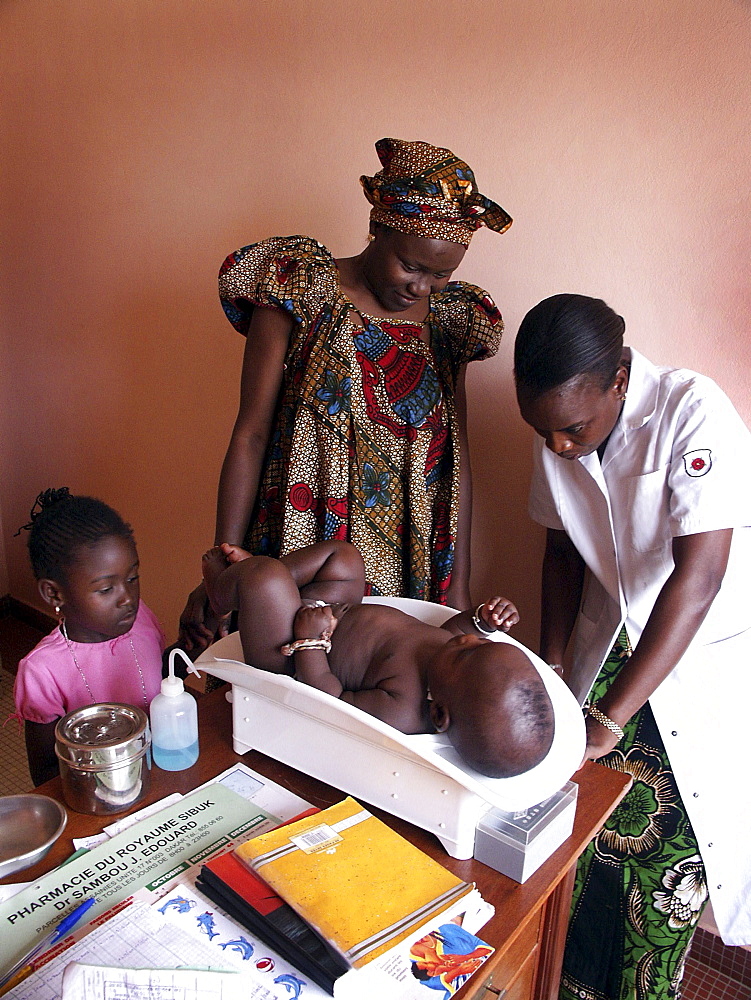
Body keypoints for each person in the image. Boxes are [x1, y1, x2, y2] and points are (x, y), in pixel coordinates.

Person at [180, 138, 512, 652]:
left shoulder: (450, 322)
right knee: (288, 680)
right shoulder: (300, 288)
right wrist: (224, 566)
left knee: (382, 687)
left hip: (411, 551)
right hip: (302, 539)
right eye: (411, 266)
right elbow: (251, 433)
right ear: (377, 228)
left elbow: (456, 458)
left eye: (442, 274)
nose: (423, 287)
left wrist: (460, 585)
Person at [513, 294, 751, 998]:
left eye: (571, 430)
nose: (558, 447)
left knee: (661, 873)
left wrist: (609, 718)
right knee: (574, 851)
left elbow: (699, 577)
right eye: (543, 432)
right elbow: (558, 551)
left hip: (694, 655)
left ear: (618, 376)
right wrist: (553, 669)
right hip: (606, 645)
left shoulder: (690, 410)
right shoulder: (559, 425)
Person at [200, 540, 550, 780]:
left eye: (470, 650)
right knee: (345, 558)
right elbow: (450, 630)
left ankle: (228, 591)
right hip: (333, 611)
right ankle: (265, 585)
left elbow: (330, 703)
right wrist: (481, 619)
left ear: (439, 713)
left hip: (288, 654)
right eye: (484, 643)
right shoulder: (454, 657)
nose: (469, 640)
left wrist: (310, 644)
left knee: (264, 577)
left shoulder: (403, 708)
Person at [13, 488, 167, 786]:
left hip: (162, 774)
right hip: (101, 794)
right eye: (106, 589)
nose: (127, 598)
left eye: (132, 578)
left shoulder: (142, 621)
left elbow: (159, 681)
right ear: (54, 593)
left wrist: (189, 649)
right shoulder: (42, 671)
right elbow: (45, 774)